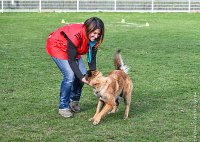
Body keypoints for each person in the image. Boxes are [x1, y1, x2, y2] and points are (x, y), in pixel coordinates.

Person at [46, 17, 105, 118]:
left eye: (98, 34)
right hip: (58, 46)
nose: (96, 36)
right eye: (94, 33)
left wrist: (92, 74)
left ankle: (74, 101)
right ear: (88, 29)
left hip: (73, 50)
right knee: (70, 76)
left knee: (83, 76)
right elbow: (72, 61)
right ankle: (63, 107)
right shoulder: (75, 35)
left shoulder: (95, 39)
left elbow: (92, 59)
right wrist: (82, 77)